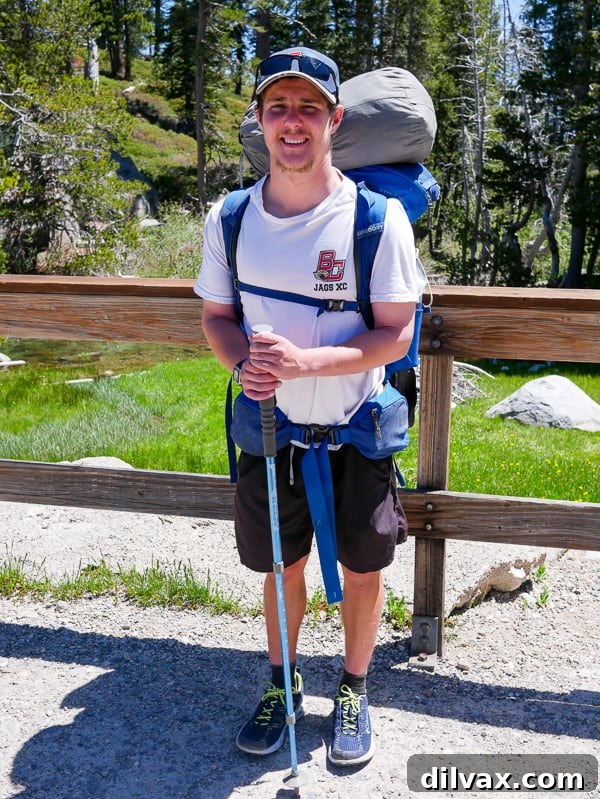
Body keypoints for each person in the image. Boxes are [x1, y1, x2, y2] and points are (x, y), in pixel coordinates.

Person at [195, 46, 424, 767]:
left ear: (335, 119)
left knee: (363, 565)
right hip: (272, 427)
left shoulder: (376, 221)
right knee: (281, 565)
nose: (292, 123)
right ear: (260, 120)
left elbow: (397, 332)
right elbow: (216, 318)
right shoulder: (230, 219)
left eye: (307, 109)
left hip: (355, 427)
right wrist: (246, 365)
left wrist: (306, 363)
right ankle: (283, 683)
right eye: (277, 108)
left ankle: (353, 687)